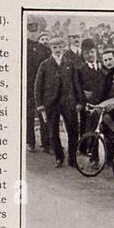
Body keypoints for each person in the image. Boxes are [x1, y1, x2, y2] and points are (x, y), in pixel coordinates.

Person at [33, 37, 82, 168]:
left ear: (64, 47)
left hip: (68, 102)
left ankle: (72, 159)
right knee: (53, 132)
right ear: (50, 48)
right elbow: (38, 86)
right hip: (51, 103)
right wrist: (40, 105)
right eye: (55, 47)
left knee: (73, 131)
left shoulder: (70, 64)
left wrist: (79, 101)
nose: (58, 49)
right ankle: (59, 157)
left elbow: (76, 83)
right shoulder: (45, 64)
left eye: (60, 47)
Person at [25, 21, 50, 152]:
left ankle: (46, 143)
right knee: (29, 114)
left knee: (43, 113)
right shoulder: (23, 46)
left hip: (42, 86)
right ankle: (30, 142)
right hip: (28, 86)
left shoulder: (44, 49)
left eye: (35, 30)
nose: (33, 33)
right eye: (30, 30)